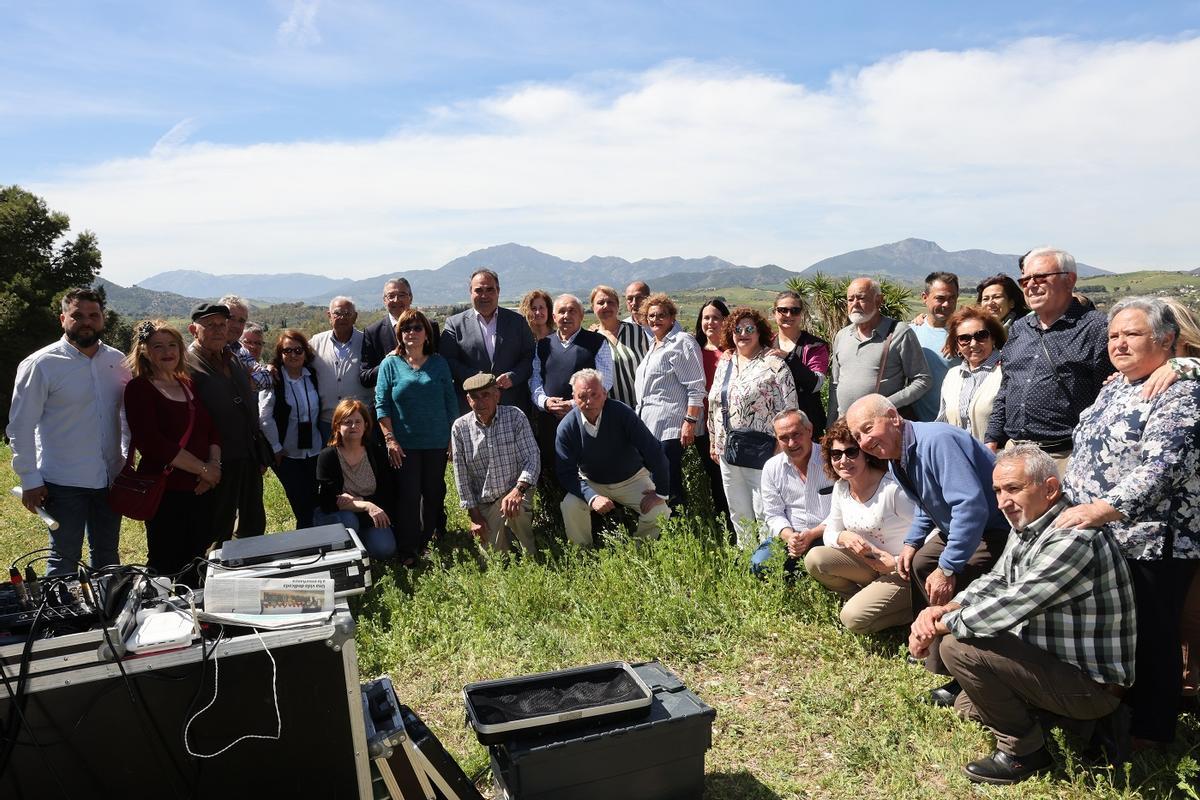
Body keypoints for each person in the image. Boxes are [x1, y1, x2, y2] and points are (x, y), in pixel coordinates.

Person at [909, 445, 1136, 785]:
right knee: (967, 705)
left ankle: (1024, 753)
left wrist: (938, 625)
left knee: (959, 648)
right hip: (1052, 662)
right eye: (998, 491)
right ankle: (1065, 722)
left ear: (1049, 488)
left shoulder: (1073, 536)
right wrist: (946, 607)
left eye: (1013, 489)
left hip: (1091, 685)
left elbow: (1016, 602)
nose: (1002, 502)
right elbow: (999, 579)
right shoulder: (1031, 523)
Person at [1059, 296, 1200, 748]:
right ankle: (1117, 715)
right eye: (1114, 335)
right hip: (1107, 537)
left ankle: (1151, 733)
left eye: (1132, 334)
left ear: (1164, 340)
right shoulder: (1115, 383)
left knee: (1154, 636)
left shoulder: (1182, 391)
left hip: (1155, 539)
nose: (1119, 343)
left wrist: (1100, 509)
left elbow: (1163, 468)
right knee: (1121, 631)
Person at [847, 393, 1009, 705]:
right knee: (920, 562)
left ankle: (968, 671)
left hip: (994, 529)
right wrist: (911, 542)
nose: (864, 441)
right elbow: (926, 503)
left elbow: (971, 507)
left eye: (868, 428)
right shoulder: (897, 456)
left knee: (961, 574)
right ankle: (934, 649)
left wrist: (948, 567)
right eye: (857, 436)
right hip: (959, 526)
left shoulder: (936, 441)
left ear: (894, 418)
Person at [8, 288, 130, 575]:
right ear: (63, 318)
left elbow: (125, 416)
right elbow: (21, 426)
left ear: (102, 320)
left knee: (108, 557)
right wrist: (29, 479)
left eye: (93, 315)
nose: (86, 321)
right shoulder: (42, 364)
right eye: (77, 316)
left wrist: (124, 459)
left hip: (110, 480)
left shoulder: (118, 361)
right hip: (63, 482)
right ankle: (59, 620)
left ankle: (106, 614)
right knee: (64, 559)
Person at [985, 247, 1113, 472]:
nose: (1031, 285)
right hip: (1014, 453)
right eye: (1025, 280)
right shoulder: (1019, 328)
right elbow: (1006, 387)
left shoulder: (1097, 328)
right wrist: (992, 436)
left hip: (1066, 456)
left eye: (1040, 277)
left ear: (1069, 280)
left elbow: (1113, 393)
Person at [122, 320, 221, 587]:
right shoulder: (139, 389)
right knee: (167, 561)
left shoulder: (187, 383)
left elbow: (210, 429)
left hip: (202, 490)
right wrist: (204, 469)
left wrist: (214, 469)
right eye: (158, 346)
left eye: (172, 345)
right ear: (144, 352)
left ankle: (201, 618)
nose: (167, 352)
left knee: (198, 558)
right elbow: (153, 444)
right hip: (166, 493)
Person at [804, 418, 915, 633]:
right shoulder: (842, 487)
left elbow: (930, 534)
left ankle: (916, 609)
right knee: (815, 558)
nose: (843, 460)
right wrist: (842, 537)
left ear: (866, 453)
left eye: (851, 452)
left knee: (852, 619)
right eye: (836, 454)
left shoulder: (891, 490)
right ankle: (865, 598)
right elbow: (831, 532)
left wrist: (895, 562)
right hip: (869, 565)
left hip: (901, 570)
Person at [707, 307, 797, 549]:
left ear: (760, 332)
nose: (743, 334)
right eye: (737, 329)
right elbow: (715, 403)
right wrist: (714, 441)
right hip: (728, 449)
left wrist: (783, 445)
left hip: (764, 450)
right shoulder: (725, 362)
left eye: (749, 329)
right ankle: (746, 555)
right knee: (737, 508)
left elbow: (790, 407)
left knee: (763, 509)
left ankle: (768, 561)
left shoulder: (774, 363)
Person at [377, 309, 458, 563]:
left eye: (417, 328)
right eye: (406, 328)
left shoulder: (438, 363)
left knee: (434, 493)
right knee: (409, 496)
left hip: (436, 441)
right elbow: (382, 404)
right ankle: (408, 549)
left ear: (427, 333)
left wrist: (452, 438)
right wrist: (390, 439)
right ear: (399, 334)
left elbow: (450, 402)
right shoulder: (390, 364)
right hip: (405, 445)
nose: (411, 332)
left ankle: (426, 542)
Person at [556, 369, 671, 547]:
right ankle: (583, 554)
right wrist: (592, 497)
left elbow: (654, 452)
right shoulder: (567, 427)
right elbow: (566, 473)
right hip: (592, 481)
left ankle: (641, 550)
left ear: (604, 393)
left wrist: (661, 492)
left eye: (594, 394)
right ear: (573, 397)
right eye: (582, 396)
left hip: (632, 479)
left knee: (659, 510)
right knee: (570, 505)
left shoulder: (622, 414)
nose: (589, 401)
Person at [185, 302, 267, 542]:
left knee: (253, 524)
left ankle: (249, 574)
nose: (219, 330)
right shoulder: (187, 366)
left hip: (247, 457)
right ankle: (212, 577)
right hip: (216, 462)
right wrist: (204, 466)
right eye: (210, 325)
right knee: (216, 529)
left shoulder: (233, 359)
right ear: (193, 330)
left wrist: (259, 452)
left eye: (222, 324)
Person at [450, 373, 539, 555]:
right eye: (474, 397)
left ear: (497, 395)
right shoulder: (460, 428)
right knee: (493, 560)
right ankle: (503, 536)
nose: (480, 402)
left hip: (516, 493)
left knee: (517, 512)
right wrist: (475, 517)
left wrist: (518, 491)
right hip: (486, 502)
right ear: (468, 400)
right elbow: (461, 477)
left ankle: (530, 553)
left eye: (486, 395)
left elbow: (532, 458)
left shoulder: (515, 416)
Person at [529, 294, 614, 483]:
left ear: (582, 315)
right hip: (549, 420)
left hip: (586, 420)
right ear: (554, 316)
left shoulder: (597, 342)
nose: (566, 315)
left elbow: (606, 382)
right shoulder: (543, 345)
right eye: (561, 311)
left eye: (572, 311)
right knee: (554, 470)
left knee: (587, 473)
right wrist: (545, 402)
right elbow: (535, 379)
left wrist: (574, 404)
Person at [634, 293, 705, 511]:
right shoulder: (654, 345)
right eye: (651, 316)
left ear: (672, 317)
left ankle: (678, 526)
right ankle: (664, 527)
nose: (655, 319)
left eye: (661, 315)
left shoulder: (681, 342)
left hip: (671, 427)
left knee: (668, 482)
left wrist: (689, 421)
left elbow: (696, 385)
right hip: (650, 426)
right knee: (658, 481)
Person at [827, 277, 931, 419]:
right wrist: (831, 424)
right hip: (846, 428)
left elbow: (923, 380)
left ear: (879, 300)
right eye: (850, 299)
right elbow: (835, 384)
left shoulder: (899, 332)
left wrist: (885, 404)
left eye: (861, 298)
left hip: (881, 426)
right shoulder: (842, 335)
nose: (855, 304)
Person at [440, 269, 536, 414]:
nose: (484, 295)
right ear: (470, 292)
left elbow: (530, 356)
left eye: (490, 289)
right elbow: (448, 360)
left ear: (498, 291)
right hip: (472, 408)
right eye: (478, 290)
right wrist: (477, 379)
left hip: (512, 406)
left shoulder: (518, 322)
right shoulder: (454, 324)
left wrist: (513, 376)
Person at [313, 399, 397, 560]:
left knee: (385, 549)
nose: (353, 426)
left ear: (366, 425)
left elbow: (387, 493)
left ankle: (362, 546)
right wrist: (367, 504)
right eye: (347, 422)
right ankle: (344, 557)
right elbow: (330, 501)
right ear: (337, 426)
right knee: (349, 520)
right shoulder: (328, 456)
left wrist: (358, 501)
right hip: (338, 516)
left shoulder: (375, 453)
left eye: (358, 421)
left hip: (367, 516)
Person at [753, 410, 832, 577]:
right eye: (783, 438)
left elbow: (847, 508)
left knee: (824, 562)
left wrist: (813, 534)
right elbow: (773, 514)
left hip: (828, 532)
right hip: (792, 535)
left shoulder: (832, 459)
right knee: (760, 565)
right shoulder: (772, 467)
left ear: (809, 430)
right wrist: (790, 536)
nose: (791, 443)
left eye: (796, 434)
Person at [259, 329, 322, 529]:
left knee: (316, 501)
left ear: (305, 352)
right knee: (301, 504)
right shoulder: (274, 380)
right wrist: (276, 448)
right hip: (287, 454)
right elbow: (264, 417)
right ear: (280, 354)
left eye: (298, 350)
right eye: (287, 351)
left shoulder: (312, 375)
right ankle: (307, 548)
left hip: (315, 450)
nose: (293, 355)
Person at [936, 307, 1006, 441]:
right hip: (958, 456)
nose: (973, 344)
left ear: (993, 338)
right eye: (964, 339)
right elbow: (943, 422)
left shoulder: (1006, 371)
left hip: (997, 458)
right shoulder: (952, 376)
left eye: (981, 336)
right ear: (957, 346)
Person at [691, 298, 731, 529]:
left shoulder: (735, 350)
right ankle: (723, 522)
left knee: (730, 475)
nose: (710, 322)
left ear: (726, 320)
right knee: (714, 475)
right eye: (706, 317)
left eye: (716, 317)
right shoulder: (694, 350)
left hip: (729, 424)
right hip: (702, 424)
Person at [310, 296, 373, 442]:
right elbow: (294, 356)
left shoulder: (367, 342)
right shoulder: (316, 342)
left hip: (359, 423)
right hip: (327, 422)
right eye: (337, 313)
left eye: (347, 314)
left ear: (355, 317)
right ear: (329, 316)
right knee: (329, 463)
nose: (342, 318)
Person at [361, 278, 440, 389]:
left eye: (402, 295)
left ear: (411, 298)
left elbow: (440, 365)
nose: (396, 300)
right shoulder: (373, 332)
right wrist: (387, 363)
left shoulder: (430, 327)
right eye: (391, 296)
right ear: (384, 300)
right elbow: (365, 378)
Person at [770, 290, 828, 439]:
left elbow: (816, 384)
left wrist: (789, 358)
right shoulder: (765, 344)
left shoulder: (815, 345)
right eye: (783, 310)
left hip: (807, 425)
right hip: (772, 426)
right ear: (774, 312)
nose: (788, 315)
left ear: (801, 314)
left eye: (794, 310)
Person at [910, 272, 960, 422]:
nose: (947, 304)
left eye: (952, 298)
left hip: (957, 423)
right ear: (925, 298)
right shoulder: (911, 332)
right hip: (920, 424)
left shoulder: (966, 335)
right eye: (940, 298)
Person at [589, 285, 641, 408]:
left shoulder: (638, 332)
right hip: (609, 411)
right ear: (593, 307)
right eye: (600, 302)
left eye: (610, 302)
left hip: (641, 408)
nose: (606, 306)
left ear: (618, 306)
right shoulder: (591, 339)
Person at [218, 294, 273, 390]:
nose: (236, 325)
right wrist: (246, 377)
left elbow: (267, 378)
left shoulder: (240, 349)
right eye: (231, 318)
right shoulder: (210, 349)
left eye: (241, 321)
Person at [621, 281, 651, 361]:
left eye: (639, 298)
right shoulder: (622, 328)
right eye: (630, 299)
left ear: (649, 298)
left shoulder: (664, 325)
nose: (634, 303)